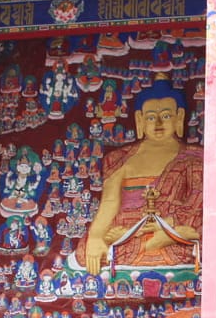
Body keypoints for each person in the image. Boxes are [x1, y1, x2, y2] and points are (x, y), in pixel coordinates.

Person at [78, 80, 202, 275]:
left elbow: (198, 202)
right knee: (88, 249)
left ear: (180, 117)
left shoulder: (194, 157)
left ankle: (168, 236)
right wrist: (96, 237)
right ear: (140, 120)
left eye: (166, 116)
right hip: (129, 232)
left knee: (206, 234)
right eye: (152, 118)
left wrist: (171, 225)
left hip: (174, 228)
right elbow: (109, 204)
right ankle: (157, 240)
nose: (159, 124)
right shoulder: (120, 159)